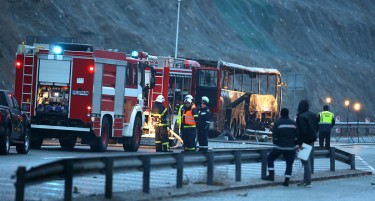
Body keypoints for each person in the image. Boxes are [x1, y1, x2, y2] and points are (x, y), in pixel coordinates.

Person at [262, 108, 297, 186]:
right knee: (289, 163)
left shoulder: (278, 123)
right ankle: (287, 180)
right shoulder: (293, 123)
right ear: (288, 114)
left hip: (279, 147)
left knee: (270, 158)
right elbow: (297, 136)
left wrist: (276, 143)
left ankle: (271, 175)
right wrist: (294, 144)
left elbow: (274, 136)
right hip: (291, 148)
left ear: (281, 114)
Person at [295, 100, 319, 188]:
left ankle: (307, 181)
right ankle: (306, 180)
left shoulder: (301, 117)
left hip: (305, 141)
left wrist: (300, 143)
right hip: (311, 139)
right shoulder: (313, 115)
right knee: (305, 160)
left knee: (305, 161)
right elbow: (317, 127)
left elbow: (302, 131)